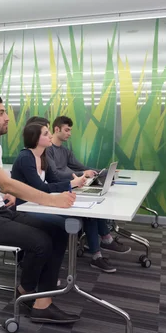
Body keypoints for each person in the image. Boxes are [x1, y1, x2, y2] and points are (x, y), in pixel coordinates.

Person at [0, 93, 79, 324]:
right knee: (40, 242)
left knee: (60, 230)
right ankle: (28, 294)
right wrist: (51, 200)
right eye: (1, 113)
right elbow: (6, 182)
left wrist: (7, 193)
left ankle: (37, 298)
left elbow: (1, 184)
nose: (7, 118)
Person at [12, 122, 125, 272]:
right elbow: (40, 188)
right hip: (25, 207)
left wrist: (76, 183)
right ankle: (43, 268)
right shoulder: (25, 157)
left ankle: (96, 256)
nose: (50, 135)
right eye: (46, 133)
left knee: (88, 215)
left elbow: (54, 180)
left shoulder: (43, 156)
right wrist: (71, 184)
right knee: (63, 224)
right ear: (35, 138)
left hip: (41, 203)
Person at [45, 115, 131, 270]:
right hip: (60, 190)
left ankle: (105, 241)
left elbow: (82, 167)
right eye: (67, 130)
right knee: (90, 213)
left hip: (73, 185)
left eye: (70, 130)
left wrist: (101, 172)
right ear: (56, 129)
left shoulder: (65, 151)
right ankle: (101, 247)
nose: (69, 133)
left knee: (95, 206)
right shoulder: (48, 151)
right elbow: (54, 175)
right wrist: (81, 175)